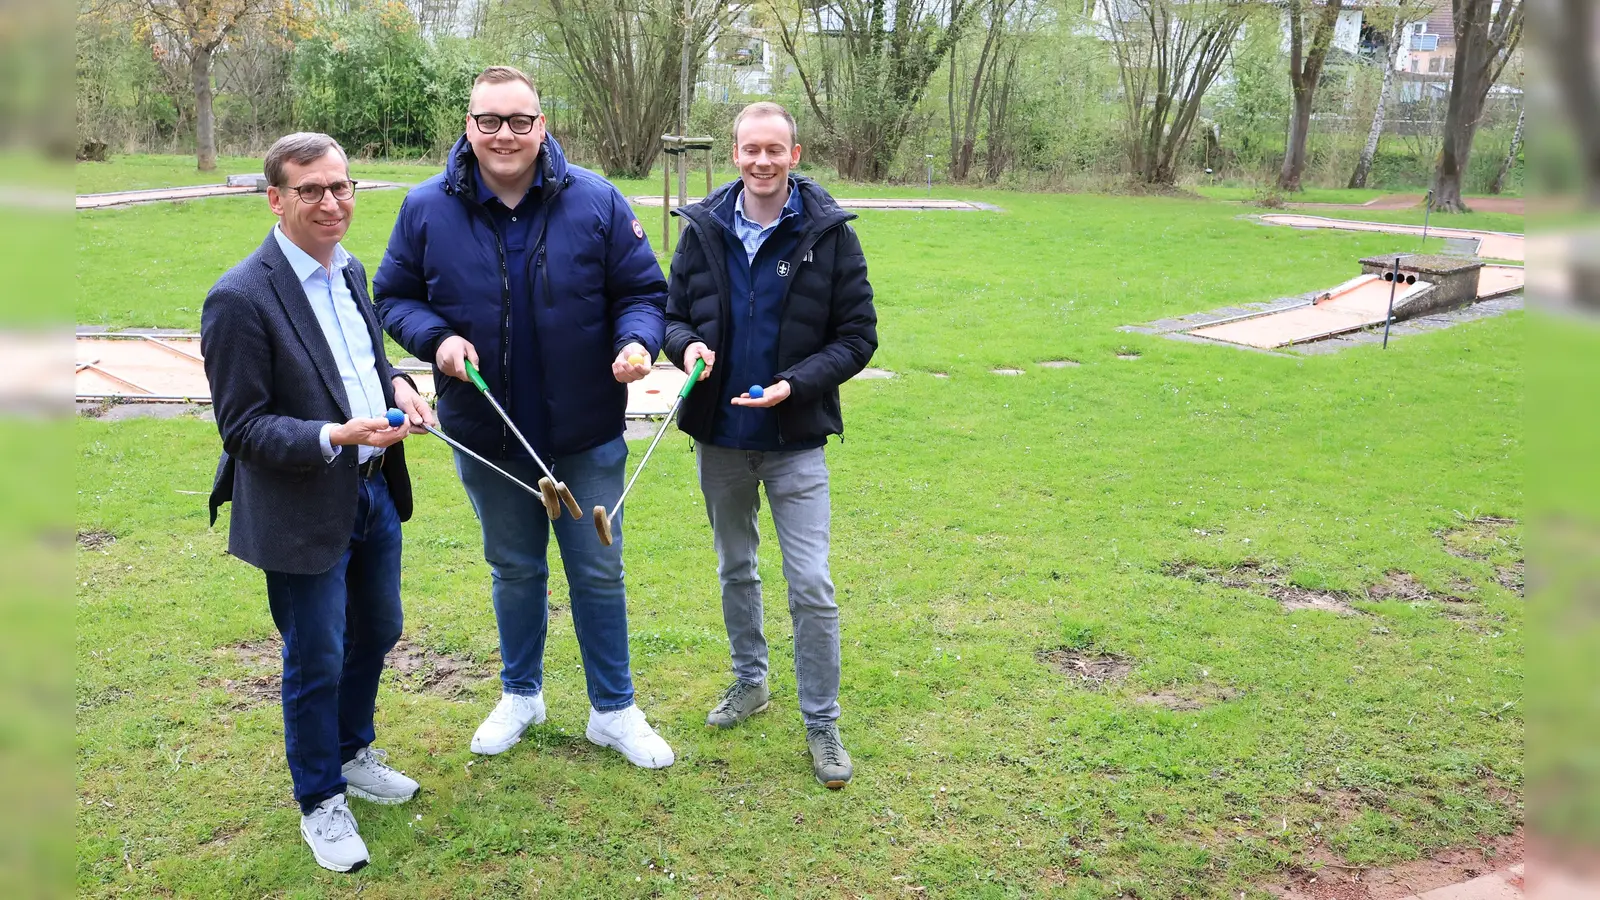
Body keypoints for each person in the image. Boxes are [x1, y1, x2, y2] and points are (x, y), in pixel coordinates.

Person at [373, 66, 674, 768]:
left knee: (598, 573)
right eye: (489, 121)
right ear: (468, 126)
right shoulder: (426, 208)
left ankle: (614, 709)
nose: (504, 135)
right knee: (513, 570)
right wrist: (436, 341)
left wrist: (636, 342)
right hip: (487, 435)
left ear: (543, 125)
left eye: (519, 120)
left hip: (585, 431)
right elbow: (392, 297)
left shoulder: (595, 200)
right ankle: (522, 693)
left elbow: (643, 291)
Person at [201, 132, 436, 872]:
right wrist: (335, 433)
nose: (331, 203)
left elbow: (364, 355)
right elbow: (242, 427)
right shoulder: (240, 297)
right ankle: (320, 799)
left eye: (341, 187)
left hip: (370, 489)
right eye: (311, 190)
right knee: (317, 653)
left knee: (380, 629)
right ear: (275, 198)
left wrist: (397, 383)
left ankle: (353, 751)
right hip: (303, 505)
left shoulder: (350, 270)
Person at [662, 102, 878, 788]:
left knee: (811, 584)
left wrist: (795, 385)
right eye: (750, 149)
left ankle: (822, 722)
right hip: (720, 438)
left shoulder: (829, 233)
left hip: (795, 439)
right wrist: (685, 346)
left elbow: (858, 336)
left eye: (773, 150)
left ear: (795, 153)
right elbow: (671, 318)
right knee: (736, 568)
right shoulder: (701, 229)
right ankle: (750, 683)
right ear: (734, 154)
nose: (761, 161)